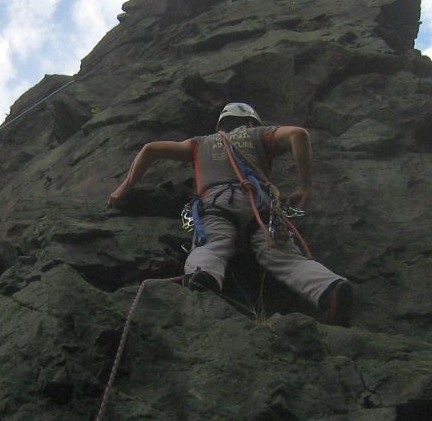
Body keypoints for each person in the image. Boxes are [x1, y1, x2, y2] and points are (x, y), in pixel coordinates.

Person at [108, 102, 353, 326]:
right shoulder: (259, 134)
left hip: (216, 203)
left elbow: (150, 149)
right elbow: (299, 134)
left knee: (213, 246)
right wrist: (304, 187)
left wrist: (124, 187)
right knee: (284, 258)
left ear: (221, 125)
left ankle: (203, 279)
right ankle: (328, 288)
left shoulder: (199, 143)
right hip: (261, 206)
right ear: (250, 122)